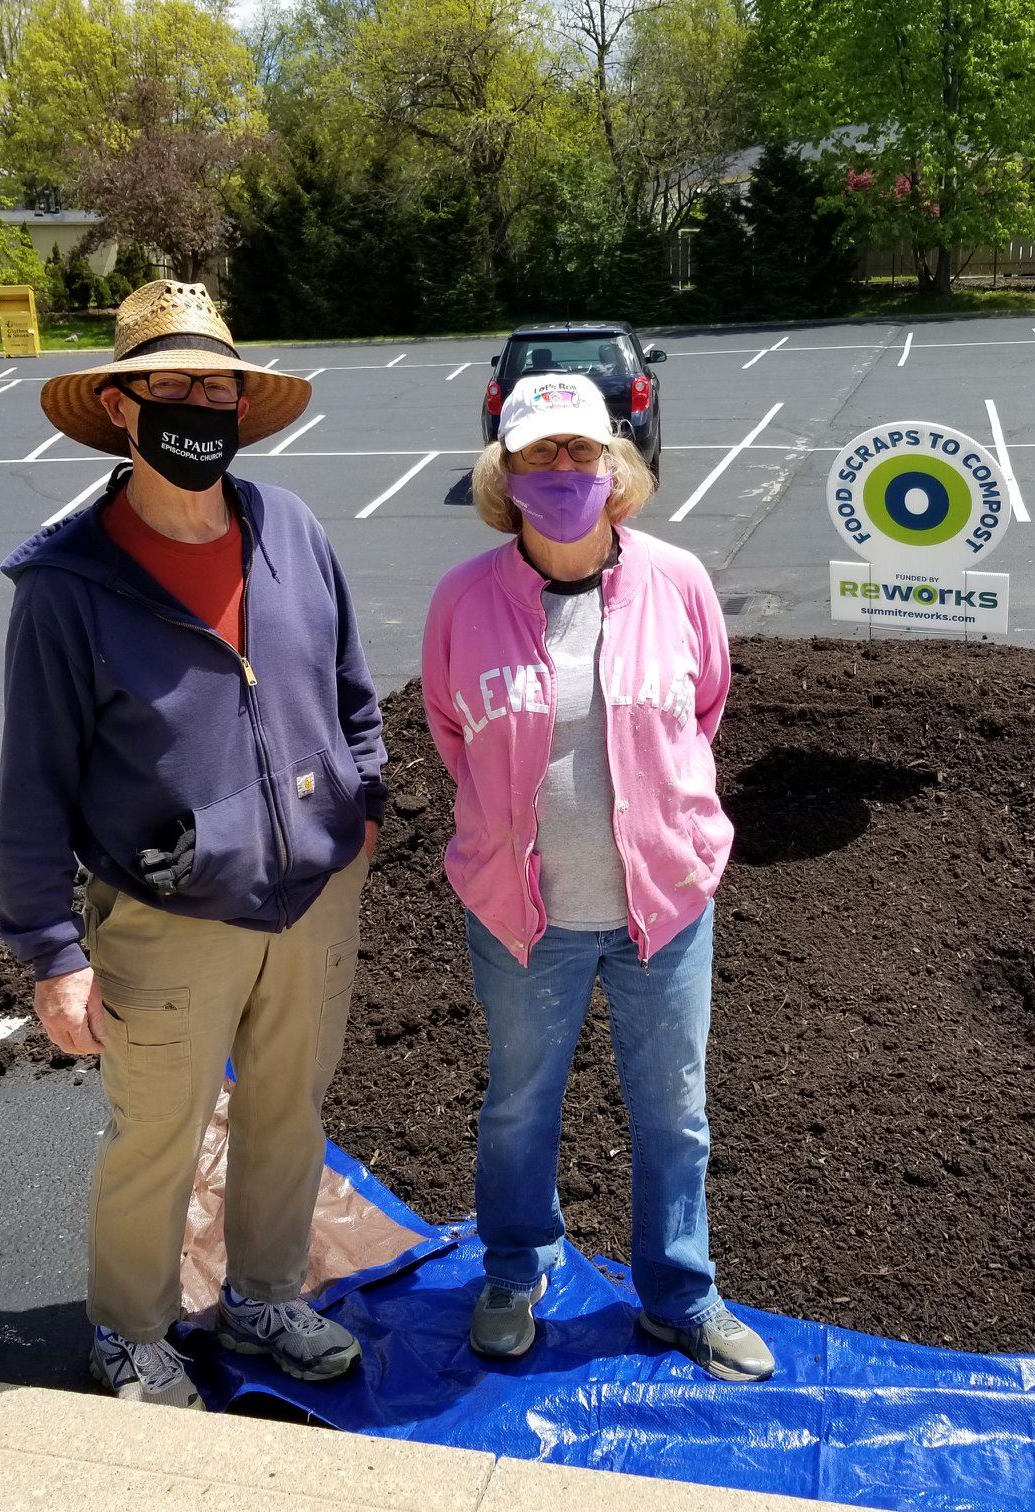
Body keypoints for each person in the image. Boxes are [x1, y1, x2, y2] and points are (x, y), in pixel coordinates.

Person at [0, 281, 386, 1408]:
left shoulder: (292, 531)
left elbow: (353, 689)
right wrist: (50, 952)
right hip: (168, 920)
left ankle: (264, 1296)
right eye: (169, 385)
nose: (197, 403)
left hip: (312, 898)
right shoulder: (67, 587)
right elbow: (33, 783)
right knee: (157, 1137)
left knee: (285, 1112)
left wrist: (360, 803)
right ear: (123, 408)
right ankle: (130, 1327)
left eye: (216, 383)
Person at [419, 374, 775, 1383]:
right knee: (520, 1105)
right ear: (506, 473)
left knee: (675, 1110)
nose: (563, 471)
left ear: (617, 468)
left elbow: (702, 708)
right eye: (539, 454)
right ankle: (515, 1271)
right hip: (524, 916)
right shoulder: (463, 600)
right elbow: (454, 731)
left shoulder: (678, 582)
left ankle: (680, 1295)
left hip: (661, 910)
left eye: (582, 452)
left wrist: (653, 829)